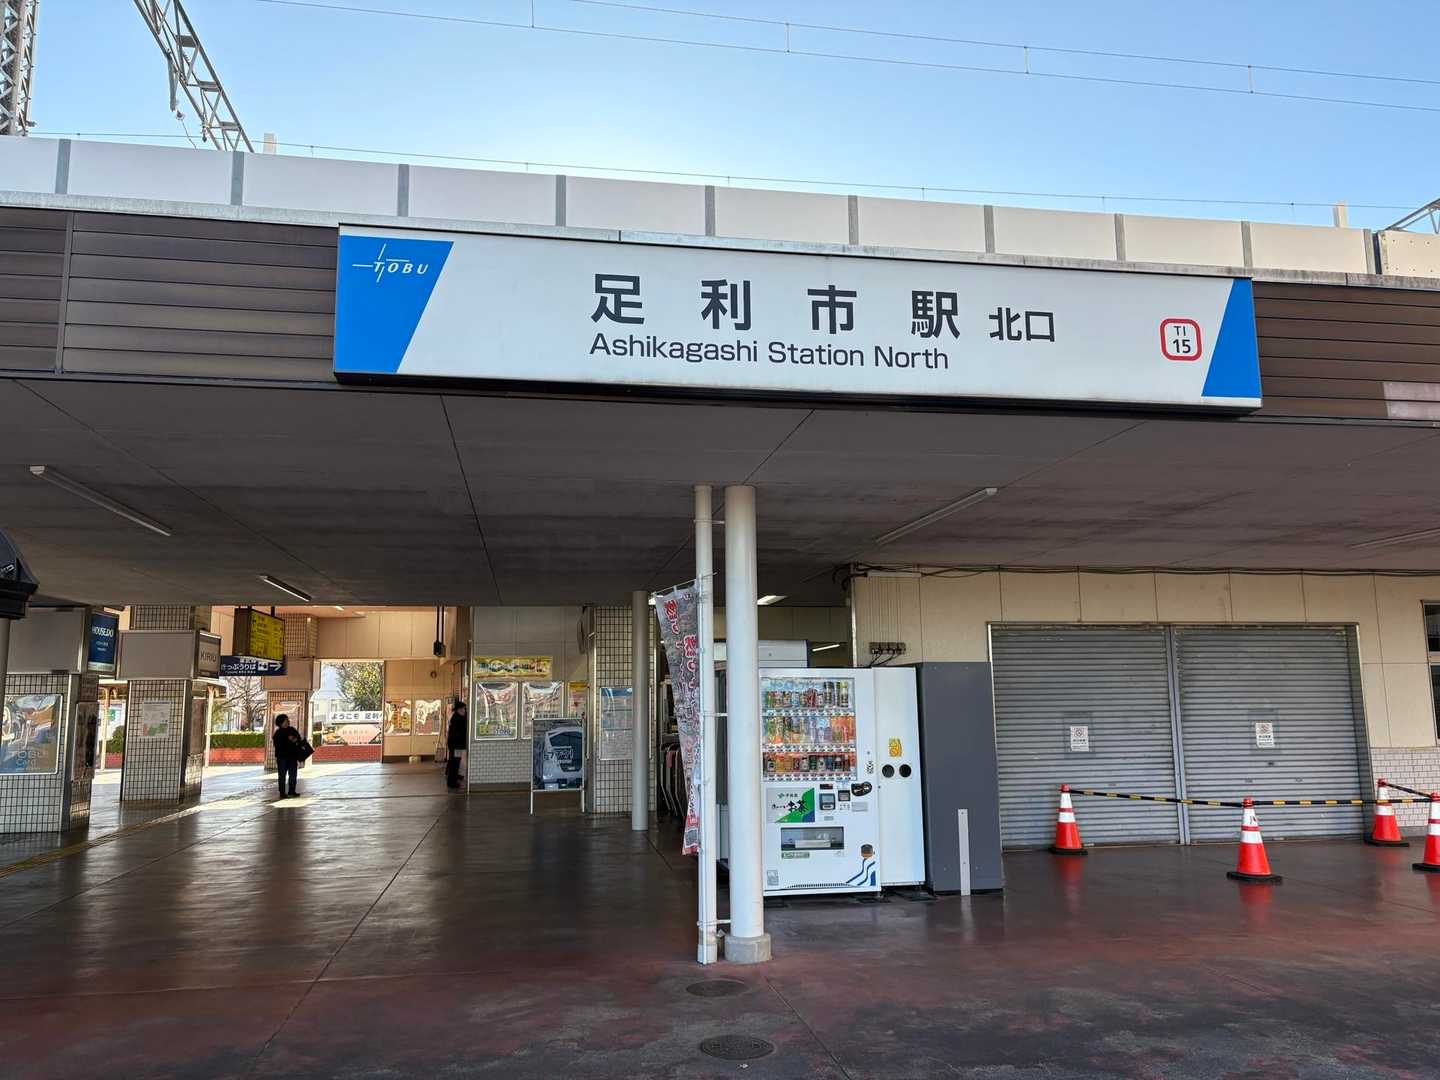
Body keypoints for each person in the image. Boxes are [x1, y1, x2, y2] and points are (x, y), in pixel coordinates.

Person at [272, 713, 301, 799]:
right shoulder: (277, 733)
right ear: (281, 723)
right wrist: (287, 740)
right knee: (282, 775)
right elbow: (277, 745)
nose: (288, 721)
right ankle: (282, 792)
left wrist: (294, 739)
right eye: (286, 720)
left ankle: (292, 791)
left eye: (288, 719)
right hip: (282, 757)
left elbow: (299, 739)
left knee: (293, 775)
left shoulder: (292, 729)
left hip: (292, 756)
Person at [445, 700, 467, 790]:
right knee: (455, 763)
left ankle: (453, 778)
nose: (464, 711)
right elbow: (460, 732)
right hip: (456, 745)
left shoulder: (456, 717)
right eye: (463, 709)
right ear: (459, 709)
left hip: (454, 744)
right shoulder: (458, 719)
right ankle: (452, 782)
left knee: (453, 762)